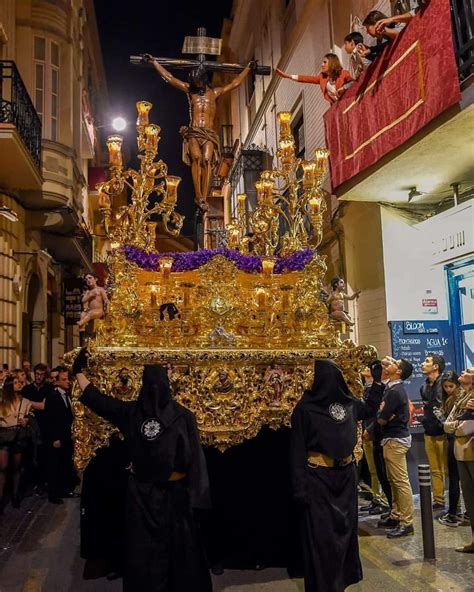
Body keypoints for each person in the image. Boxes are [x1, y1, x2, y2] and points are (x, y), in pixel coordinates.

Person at [72, 349, 212, 591]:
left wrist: (78, 373)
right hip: (170, 493)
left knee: (147, 550)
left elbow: (98, 400)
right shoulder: (181, 415)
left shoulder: (132, 413)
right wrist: (198, 500)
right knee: (175, 550)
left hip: (147, 495)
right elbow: (196, 461)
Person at [290, 359, 384, 592]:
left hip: (345, 476)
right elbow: (297, 451)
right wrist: (300, 487)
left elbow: (369, 410)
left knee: (345, 531)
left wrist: (378, 383)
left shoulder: (349, 403)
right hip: (318, 478)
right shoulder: (305, 409)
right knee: (323, 537)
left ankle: (342, 580)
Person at [144, 55, 254, 210]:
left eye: (198, 82)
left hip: (208, 132)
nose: (195, 85)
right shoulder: (191, 92)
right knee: (196, 158)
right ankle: (198, 196)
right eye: (194, 82)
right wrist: (155, 62)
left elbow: (235, 83)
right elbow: (170, 78)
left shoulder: (215, 93)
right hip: (194, 131)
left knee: (207, 160)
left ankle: (204, 195)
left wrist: (248, 69)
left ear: (203, 80)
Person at [377, 357, 415, 538]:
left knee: (400, 481)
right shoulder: (390, 388)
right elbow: (384, 413)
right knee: (393, 480)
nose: (390, 364)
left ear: (398, 371)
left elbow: (382, 417)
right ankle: (396, 514)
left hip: (396, 439)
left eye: (395, 364)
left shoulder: (395, 391)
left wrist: (383, 414)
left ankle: (407, 522)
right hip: (390, 438)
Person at [444, 367, 474, 553]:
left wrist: (453, 426)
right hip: (460, 451)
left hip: (471, 450)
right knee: (469, 499)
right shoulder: (462, 396)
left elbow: (465, 428)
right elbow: (448, 423)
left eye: (468, 370)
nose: (462, 371)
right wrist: (453, 426)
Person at [0, 376, 41, 510]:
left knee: (17, 468)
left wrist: (27, 420)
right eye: (16, 383)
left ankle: (15, 495)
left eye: (20, 382)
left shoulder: (26, 402)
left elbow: (32, 416)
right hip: (5, 435)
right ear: (10, 385)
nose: (19, 384)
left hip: (19, 436)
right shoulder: (2, 401)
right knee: (3, 467)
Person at [43, 369, 79, 504]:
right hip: (57, 438)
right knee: (55, 466)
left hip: (67, 437)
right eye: (64, 380)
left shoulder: (67, 395)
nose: (68, 381)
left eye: (68, 379)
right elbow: (50, 420)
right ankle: (53, 494)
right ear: (57, 382)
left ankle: (65, 490)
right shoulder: (53, 396)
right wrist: (55, 438)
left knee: (65, 464)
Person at [359, 366, 388, 514]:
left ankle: (382, 500)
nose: (365, 368)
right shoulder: (364, 387)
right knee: (372, 470)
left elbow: (378, 412)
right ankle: (376, 498)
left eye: (368, 367)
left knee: (379, 469)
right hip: (365, 433)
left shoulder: (381, 388)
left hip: (374, 433)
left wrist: (369, 429)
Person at [420, 353, 447, 510]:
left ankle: (456, 502)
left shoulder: (444, 384)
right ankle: (439, 499)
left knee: (448, 469)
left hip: (443, 432)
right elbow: (427, 408)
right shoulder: (423, 387)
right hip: (429, 431)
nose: (423, 364)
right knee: (435, 468)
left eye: (427, 361)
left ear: (435, 366)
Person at [438, 371, 463, 526]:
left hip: (457, 440)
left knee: (455, 478)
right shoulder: (451, 398)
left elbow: (452, 424)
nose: (448, 389)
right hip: (453, 439)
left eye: (451, 386)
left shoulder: (459, 399)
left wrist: (445, 423)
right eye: (445, 386)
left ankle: (453, 512)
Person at [276, 54, 353, 104]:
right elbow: (305, 79)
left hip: (348, 103)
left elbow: (353, 83)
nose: (322, 65)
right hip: (336, 109)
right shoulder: (322, 78)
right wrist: (288, 76)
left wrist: (343, 88)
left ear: (332, 63)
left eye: (324, 62)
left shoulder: (343, 73)